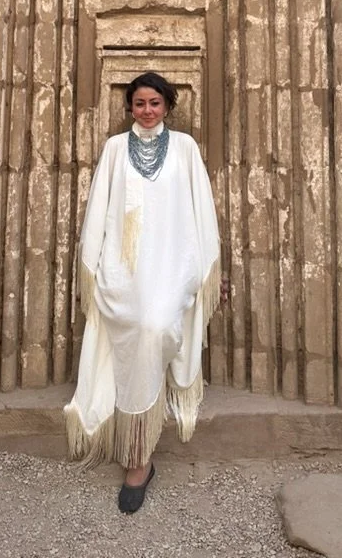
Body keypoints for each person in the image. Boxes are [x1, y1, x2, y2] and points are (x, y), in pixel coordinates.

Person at [64, 72, 222, 514]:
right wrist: (97, 264)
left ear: (168, 106)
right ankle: (140, 459)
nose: (147, 111)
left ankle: (138, 456)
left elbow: (200, 209)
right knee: (134, 326)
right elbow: (100, 208)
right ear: (129, 107)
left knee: (155, 327)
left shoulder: (186, 149)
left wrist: (205, 269)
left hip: (171, 268)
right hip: (126, 269)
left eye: (155, 103)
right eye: (139, 104)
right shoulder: (115, 149)